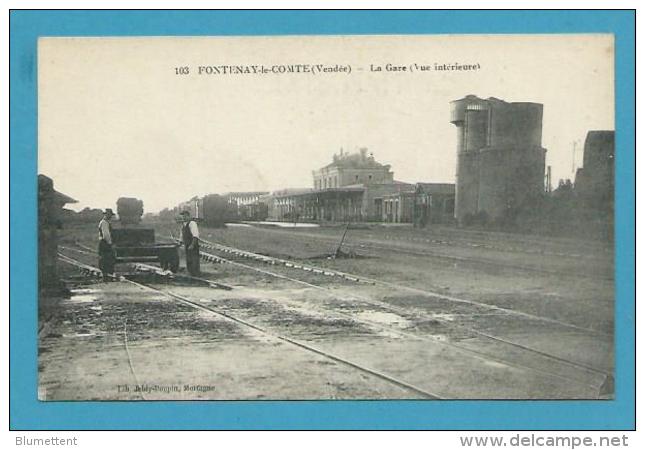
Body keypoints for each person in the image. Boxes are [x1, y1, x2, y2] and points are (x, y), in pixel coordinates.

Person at [179, 210, 200, 276]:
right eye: (182, 216)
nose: (183, 217)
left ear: (188, 216)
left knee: (194, 260)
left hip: (193, 245)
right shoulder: (183, 225)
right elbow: (182, 236)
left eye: (185, 216)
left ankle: (196, 274)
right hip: (187, 245)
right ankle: (191, 274)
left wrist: (192, 245)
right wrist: (180, 243)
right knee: (189, 260)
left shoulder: (192, 223)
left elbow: (195, 236)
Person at [97, 208, 116, 281]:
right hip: (105, 243)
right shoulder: (104, 223)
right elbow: (106, 235)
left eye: (110, 215)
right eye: (109, 215)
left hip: (105, 243)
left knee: (107, 260)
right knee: (106, 260)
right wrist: (110, 244)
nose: (110, 216)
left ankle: (108, 276)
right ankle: (107, 276)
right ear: (106, 215)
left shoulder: (107, 222)